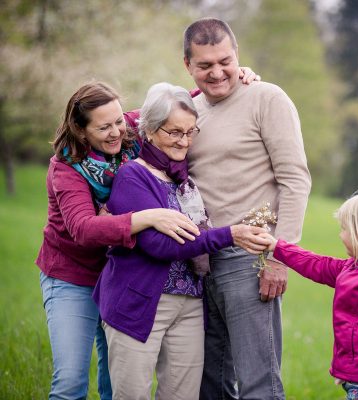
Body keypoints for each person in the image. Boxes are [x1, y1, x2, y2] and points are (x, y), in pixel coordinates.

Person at [92, 82, 270, 400]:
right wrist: (232, 234)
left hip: (189, 303)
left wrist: (240, 77)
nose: (184, 141)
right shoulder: (133, 176)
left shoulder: (184, 178)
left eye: (190, 132)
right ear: (149, 129)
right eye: (174, 132)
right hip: (139, 301)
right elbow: (161, 245)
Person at [36, 81, 202, 400]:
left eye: (118, 122)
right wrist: (150, 217)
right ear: (81, 130)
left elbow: (172, 105)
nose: (116, 132)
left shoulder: (127, 129)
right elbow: (83, 228)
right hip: (75, 276)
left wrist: (233, 77)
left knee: (115, 382)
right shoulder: (65, 167)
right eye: (104, 127)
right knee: (71, 381)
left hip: (119, 276)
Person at [183, 18, 312, 399]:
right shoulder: (187, 110)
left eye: (225, 61)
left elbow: (295, 180)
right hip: (199, 260)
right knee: (209, 384)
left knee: (258, 383)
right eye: (204, 65)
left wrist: (280, 257)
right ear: (187, 64)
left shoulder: (267, 98)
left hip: (250, 259)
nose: (217, 72)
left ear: (237, 55)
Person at [260, 189, 358, 400]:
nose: (340, 235)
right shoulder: (357, 268)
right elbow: (318, 265)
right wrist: (278, 247)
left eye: (344, 229)